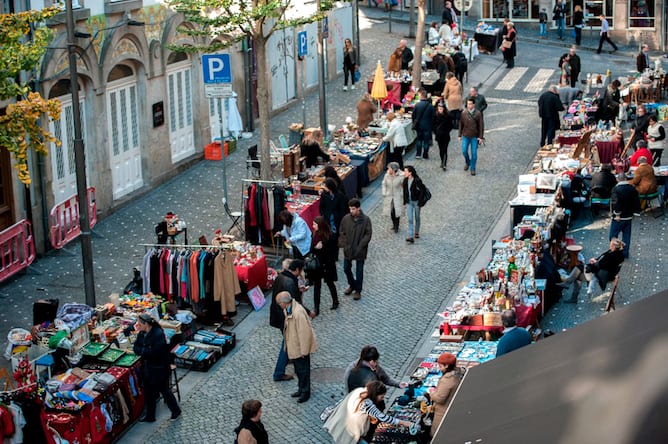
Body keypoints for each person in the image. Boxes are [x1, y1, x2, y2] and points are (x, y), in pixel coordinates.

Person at [323, 381, 414, 444]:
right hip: (349, 433)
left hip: (339, 427)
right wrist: (404, 422)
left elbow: (341, 402)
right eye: (381, 397)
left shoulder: (359, 391)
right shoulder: (367, 403)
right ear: (376, 394)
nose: (382, 399)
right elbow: (382, 417)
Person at [270, 259, 312, 382]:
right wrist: (309, 312)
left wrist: (299, 290)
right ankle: (279, 373)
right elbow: (295, 302)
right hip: (284, 318)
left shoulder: (281, 277)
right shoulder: (289, 282)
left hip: (277, 316)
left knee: (287, 343)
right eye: (301, 271)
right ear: (298, 270)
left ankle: (288, 360)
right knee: (286, 344)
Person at [133, 313, 182, 422]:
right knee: (149, 392)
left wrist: (143, 351)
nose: (138, 325)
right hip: (147, 367)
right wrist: (145, 351)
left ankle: (176, 411)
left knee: (164, 390)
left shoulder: (158, 334)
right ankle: (150, 416)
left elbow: (155, 353)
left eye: (139, 323)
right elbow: (136, 347)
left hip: (159, 368)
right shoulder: (142, 333)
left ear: (146, 324)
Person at [276, 291, 317, 403]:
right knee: (298, 370)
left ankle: (305, 392)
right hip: (294, 346)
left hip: (300, 348)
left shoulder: (298, 313)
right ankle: (301, 389)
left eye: (279, 303)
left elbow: (305, 333)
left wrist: (304, 351)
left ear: (284, 303)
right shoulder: (288, 310)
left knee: (303, 371)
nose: (279, 305)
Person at [338, 198, 372, 301]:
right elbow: (342, 232)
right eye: (350, 209)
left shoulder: (366, 220)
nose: (351, 211)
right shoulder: (346, 219)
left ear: (358, 208)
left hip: (360, 249)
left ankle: (358, 290)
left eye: (353, 209)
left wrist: (361, 245)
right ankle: (352, 284)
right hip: (348, 249)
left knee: (359, 271)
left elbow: (368, 234)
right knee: (346, 268)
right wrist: (344, 244)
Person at [310, 216, 339, 314]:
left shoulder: (330, 236)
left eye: (314, 224)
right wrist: (316, 248)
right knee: (317, 286)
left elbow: (333, 251)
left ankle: (335, 301)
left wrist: (323, 247)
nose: (313, 226)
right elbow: (311, 249)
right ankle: (316, 307)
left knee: (330, 283)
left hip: (327, 264)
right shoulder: (314, 235)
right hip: (318, 264)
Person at [428, 353, 462, 437]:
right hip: (452, 406)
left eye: (440, 366)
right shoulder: (458, 373)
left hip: (443, 411)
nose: (439, 369)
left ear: (446, 366)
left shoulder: (447, 380)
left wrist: (432, 392)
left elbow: (439, 399)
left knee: (438, 433)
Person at [610, 173, 641, 258]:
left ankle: (614, 252)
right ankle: (625, 253)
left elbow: (616, 203)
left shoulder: (616, 189)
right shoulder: (632, 189)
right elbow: (636, 201)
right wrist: (636, 212)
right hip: (629, 216)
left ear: (618, 179)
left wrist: (617, 214)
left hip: (619, 217)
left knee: (613, 235)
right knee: (626, 236)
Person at [459, 97, 484, 176]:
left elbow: (481, 126)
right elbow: (461, 124)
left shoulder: (478, 113)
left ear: (474, 104)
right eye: (468, 104)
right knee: (464, 151)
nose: (468, 105)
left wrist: (480, 137)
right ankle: (468, 162)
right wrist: (459, 135)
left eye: (470, 104)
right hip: (465, 135)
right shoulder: (464, 113)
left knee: (474, 153)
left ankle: (473, 168)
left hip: (474, 136)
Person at [402, 165, 426, 243]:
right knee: (410, 219)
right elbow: (404, 192)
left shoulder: (417, 180)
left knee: (417, 217)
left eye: (405, 171)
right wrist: (405, 202)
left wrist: (420, 202)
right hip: (409, 202)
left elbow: (422, 191)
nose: (404, 173)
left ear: (410, 173)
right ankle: (410, 236)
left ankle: (416, 231)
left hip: (416, 202)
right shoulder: (405, 180)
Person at [412, 88, 435, 159]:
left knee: (419, 140)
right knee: (426, 141)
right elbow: (433, 117)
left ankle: (418, 154)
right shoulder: (430, 106)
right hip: (427, 126)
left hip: (419, 126)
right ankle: (425, 154)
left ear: (421, 96)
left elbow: (413, 116)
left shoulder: (417, 105)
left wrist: (414, 122)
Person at [382, 162, 404, 233]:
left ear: (394, 169)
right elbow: (384, 183)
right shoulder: (387, 175)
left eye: (390, 168)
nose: (388, 169)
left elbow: (404, 186)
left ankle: (396, 226)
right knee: (391, 211)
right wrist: (384, 192)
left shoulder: (401, 176)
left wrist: (402, 194)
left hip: (397, 196)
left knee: (396, 211)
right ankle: (394, 224)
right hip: (389, 195)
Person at [433, 101, 453, 170]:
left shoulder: (448, 115)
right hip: (438, 136)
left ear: (444, 108)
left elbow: (451, 125)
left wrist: (447, 131)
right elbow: (433, 125)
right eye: (439, 108)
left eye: (441, 108)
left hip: (445, 135)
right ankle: (442, 161)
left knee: (445, 150)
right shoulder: (435, 115)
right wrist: (436, 132)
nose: (440, 109)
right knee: (440, 150)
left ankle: (444, 164)